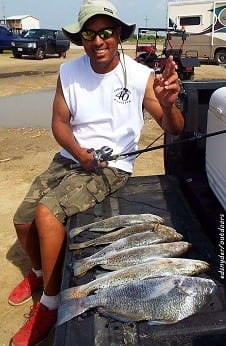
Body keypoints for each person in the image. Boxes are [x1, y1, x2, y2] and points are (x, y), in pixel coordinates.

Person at [9, 0, 184, 345]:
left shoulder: (138, 76)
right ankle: (40, 272)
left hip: (111, 165)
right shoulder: (69, 72)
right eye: (89, 33)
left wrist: (167, 104)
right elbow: (59, 124)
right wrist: (78, 153)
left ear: (118, 34)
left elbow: (174, 127)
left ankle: (51, 304)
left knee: (47, 215)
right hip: (70, 157)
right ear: (81, 38)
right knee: (23, 221)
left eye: (106, 32)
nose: (98, 40)